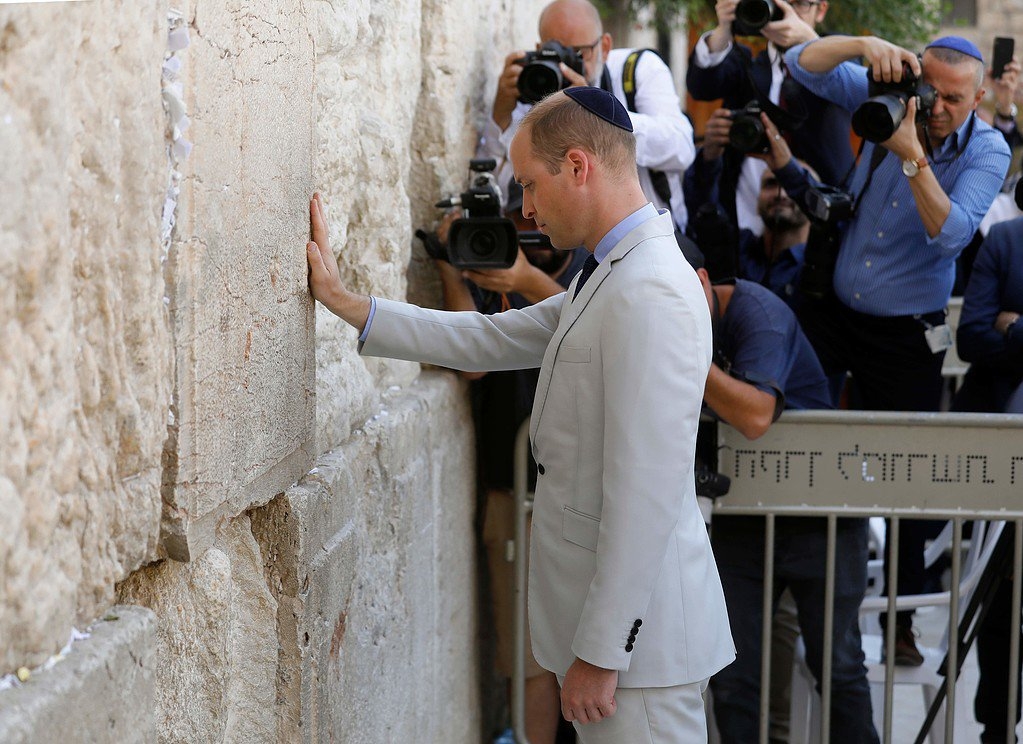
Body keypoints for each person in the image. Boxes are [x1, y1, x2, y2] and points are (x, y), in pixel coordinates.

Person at [307, 87, 735, 742]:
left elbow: (645, 491)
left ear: (577, 166)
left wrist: (601, 650)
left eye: (531, 184)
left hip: (640, 651)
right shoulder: (613, 270)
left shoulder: (649, 288)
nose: (525, 208)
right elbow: (490, 339)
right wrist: (351, 306)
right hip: (623, 645)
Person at [784, 34, 1011, 665]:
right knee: (795, 437)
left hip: (905, 334)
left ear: (981, 94)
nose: (935, 106)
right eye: (929, 89)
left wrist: (912, 156)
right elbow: (800, 67)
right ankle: (790, 591)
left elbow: (952, 237)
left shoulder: (987, 149)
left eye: (954, 98)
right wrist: (863, 45)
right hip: (833, 313)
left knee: (903, 474)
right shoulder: (894, 94)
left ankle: (900, 626)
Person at [693, 259, 877, 743]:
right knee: (733, 677)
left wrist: (682, 351)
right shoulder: (679, 320)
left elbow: (755, 415)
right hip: (742, 518)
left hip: (823, 516)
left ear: (702, 282)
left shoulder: (758, 313)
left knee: (838, 670)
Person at [431, 185, 588, 744]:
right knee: (527, 660)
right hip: (511, 494)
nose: (531, 222)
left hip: (583, 501)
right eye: (519, 211)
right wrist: (455, 268)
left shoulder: (597, 272)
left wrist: (523, 280)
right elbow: (468, 361)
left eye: (538, 206)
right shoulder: (487, 271)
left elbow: (591, 334)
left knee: (595, 653)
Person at [479, 0, 696, 235]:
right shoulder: (536, 87)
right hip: (572, 244)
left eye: (578, 53)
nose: (564, 65)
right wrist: (500, 117)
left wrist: (597, 111)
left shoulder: (637, 69)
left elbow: (681, 147)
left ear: (604, 47)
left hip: (651, 234)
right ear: (540, 48)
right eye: (556, 52)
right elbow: (497, 187)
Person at [686, 0, 852, 237]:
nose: (788, 14)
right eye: (780, 4)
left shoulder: (840, 58)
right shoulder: (746, 66)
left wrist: (809, 43)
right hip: (747, 222)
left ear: (821, 10)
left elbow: (851, 77)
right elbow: (701, 87)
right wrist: (723, 28)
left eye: (800, 4)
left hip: (820, 220)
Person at [950, 213, 1023, 743]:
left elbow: (997, 332)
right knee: (1001, 599)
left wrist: (1016, 328)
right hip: (1004, 449)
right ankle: (996, 729)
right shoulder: (1006, 239)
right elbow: (972, 336)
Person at [685, 107, 814, 308]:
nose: (782, 194)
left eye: (791, 187)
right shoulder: (738, 247)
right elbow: (703, 211)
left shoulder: (821, 265)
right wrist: (710, 158)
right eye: (770, 184)